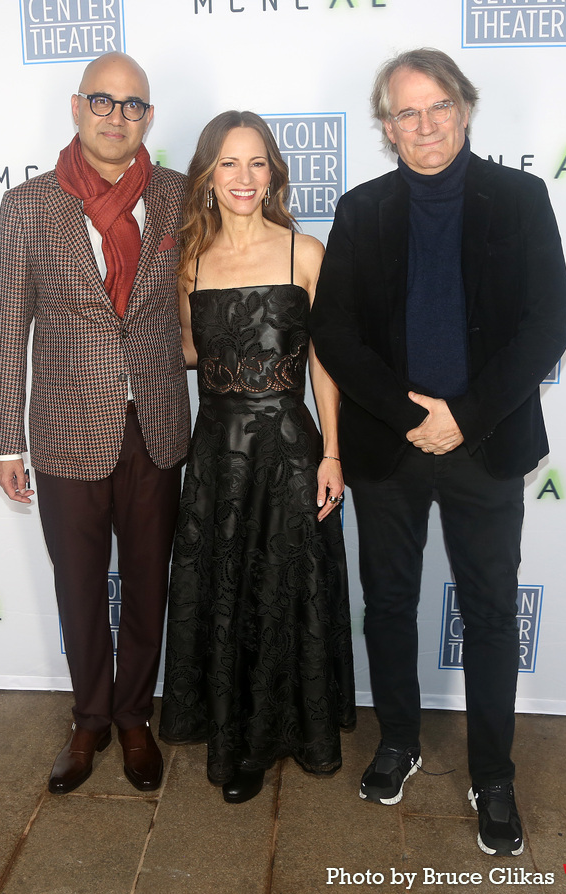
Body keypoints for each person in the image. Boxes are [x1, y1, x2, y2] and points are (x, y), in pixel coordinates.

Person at [310, 49, 566, 855]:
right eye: (405, 113)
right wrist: (406, 414)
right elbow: (335, 333)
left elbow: (547, 321)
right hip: (389, 447)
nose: (423, 125)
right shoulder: (360, 211)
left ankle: (494, 774)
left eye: (438, 107)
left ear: (464, 108)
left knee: (491, 613)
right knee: (387, 605)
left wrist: (463, 415)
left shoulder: (522, 198)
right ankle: (398, 740)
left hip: (485, 442)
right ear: (386, 127)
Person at [0, 52, 189, 795]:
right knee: (78, 585)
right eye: (102, 101)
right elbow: (9, 330)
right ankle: (89, 719)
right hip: (67, 429)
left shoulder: (176, 197)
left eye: (132, 104)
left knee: (147, 582)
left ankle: (136, 716)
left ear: (149, 119)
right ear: (77, 108)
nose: (116, 115)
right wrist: (6, 440)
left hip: (159, 426)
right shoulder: (29, 207)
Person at [159, 111, 356, 804]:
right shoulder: (189, 259)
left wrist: (333, 453)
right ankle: (237, 738)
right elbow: (189, 350)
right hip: (215, 452)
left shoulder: (306, 251)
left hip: (286, 448)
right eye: (228, 164)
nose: (243, 178)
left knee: (285, 589)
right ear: (208, 176)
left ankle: (294, 729)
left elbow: (326, 363)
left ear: (273, 172)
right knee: (228, 594)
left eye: (257, 163)